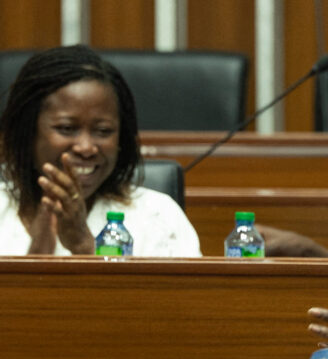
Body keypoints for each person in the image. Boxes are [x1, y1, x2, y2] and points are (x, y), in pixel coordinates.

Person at [0, 45, 200, 256]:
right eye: (66, 128)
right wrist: (36, 256)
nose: (86, 148)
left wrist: (83, 246)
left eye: (103, 131)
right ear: (27, 133)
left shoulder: (158, 216)